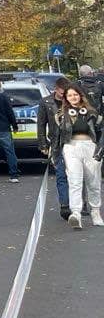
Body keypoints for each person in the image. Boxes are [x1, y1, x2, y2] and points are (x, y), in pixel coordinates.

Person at [51, 85, 103, 229]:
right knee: (74, 181)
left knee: (93, 182)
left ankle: (95, 211)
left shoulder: (92, 113)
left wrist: (100, 149)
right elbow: (56, 136)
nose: (73, 97)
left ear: (80, 95)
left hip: (90, 146)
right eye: (69, 96)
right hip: (71, 147)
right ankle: (76, 214)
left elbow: (100, 131)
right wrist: (54, 154)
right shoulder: (61, 115)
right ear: (66, 99)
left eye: (75, 95)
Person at [39, 78, 85, 222]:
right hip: (58, 144)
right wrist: (43, 144)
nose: (64, 96)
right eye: (62, 93)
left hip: (75, 143)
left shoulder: (75, 101)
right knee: (61, 175)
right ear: (56, 89)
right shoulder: (46, 102)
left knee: (78, 175)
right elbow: (41, 124)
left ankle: (79, 205)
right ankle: (65, 205)